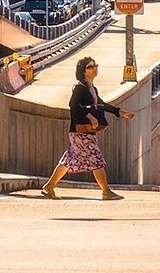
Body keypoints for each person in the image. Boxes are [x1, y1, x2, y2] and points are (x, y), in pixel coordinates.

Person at [41, 56, 135, 201]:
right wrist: (89, 117)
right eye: (91, 66)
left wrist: (120, 112)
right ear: (83, 71)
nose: (95, 68)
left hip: (85, 131)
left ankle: (49, 186)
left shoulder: (92, 89)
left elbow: (102, 104)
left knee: (69, 159)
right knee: (96, 158)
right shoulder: (80, 88)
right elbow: (73, 106)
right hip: (80, 131)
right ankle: (106, 191)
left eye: (95, 65)